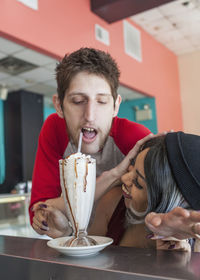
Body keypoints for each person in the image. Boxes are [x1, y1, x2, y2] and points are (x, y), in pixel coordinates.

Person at [29, 47, 151, 236]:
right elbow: (39, 213)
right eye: (78, 101)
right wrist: (112, 177)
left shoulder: (134, 138)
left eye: (101, 102)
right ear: (59, 106)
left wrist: (60, 204)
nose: (90, 116)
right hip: (73, 245)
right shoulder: (54, 130)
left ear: (116, 106)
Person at [88, 131, 200, 251]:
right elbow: (87, 260)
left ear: (166, 200)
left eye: (137, 183)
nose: (124, 178)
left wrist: (179, 266)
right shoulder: (112, 203)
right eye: (130, 167)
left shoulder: (192, 249)